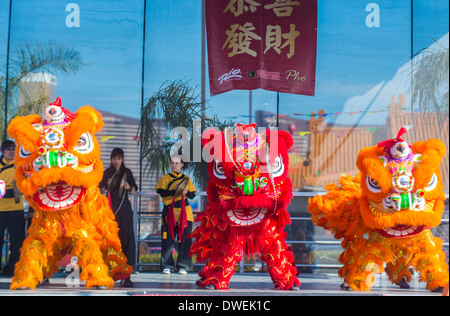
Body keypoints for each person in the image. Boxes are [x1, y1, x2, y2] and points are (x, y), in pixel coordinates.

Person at [99, 147, 137, 287]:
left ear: (122, 159)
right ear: (111, 159)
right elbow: (100, 190)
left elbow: (134, 191)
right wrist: (107, 187)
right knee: (111, 242)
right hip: (110, 209)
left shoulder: (127, 173)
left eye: (118, 158)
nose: (116, 161)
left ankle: (126, 276)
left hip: (125, 210)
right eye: (114, 158)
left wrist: (128, 188)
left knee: (126, 241)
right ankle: (108, 272)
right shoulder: (107, 173)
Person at [156, 155, 196, 274]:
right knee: (167, 239)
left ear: (182, 165)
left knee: (185, 240)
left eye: (177, 163)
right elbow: (161, 192)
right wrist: (175, 191)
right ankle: (166, 265)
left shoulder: (187, 179)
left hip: (185, 213)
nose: (174, 165)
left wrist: (186, 192)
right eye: (172, 162)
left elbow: (193, 195)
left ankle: (183, 266)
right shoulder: (165, 178)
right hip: (170, 212)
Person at [0, 140, 25, 276]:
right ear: (3, 151)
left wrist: (13, 190)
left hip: (16, 209)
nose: (11, 151)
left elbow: (22, 189)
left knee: (17, 241)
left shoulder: (20, 166)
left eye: (14, 148)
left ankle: (12, 268)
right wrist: (10, 190)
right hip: (0, 211)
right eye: (8, 149)